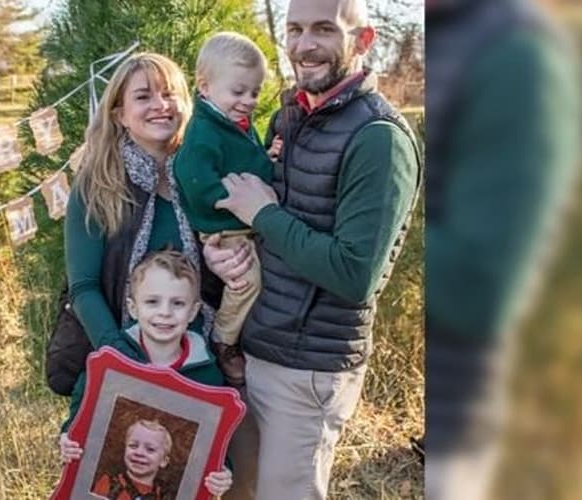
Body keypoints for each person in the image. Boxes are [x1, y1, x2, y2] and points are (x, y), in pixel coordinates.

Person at [209, 0, 422, 497]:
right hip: (257, 351)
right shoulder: (290, 116)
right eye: (296, 29)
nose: (305, 45)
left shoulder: (378, 138)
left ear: (363, 41)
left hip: (307, 372)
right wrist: (234, 251)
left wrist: (262, 214)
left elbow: (355, 275)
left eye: (325, 29)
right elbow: (274, 221)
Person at [425, 1, 582, 498]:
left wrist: (367, 233)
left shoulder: (517, 57)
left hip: (453, 431)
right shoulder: (445, 34)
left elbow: (480, 288)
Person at [63, 52, 252, 360]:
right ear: (119, 114)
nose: (160, 106)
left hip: (202, 355)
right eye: (143, 96)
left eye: (169, 94)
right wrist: (118, 352)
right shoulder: (96, 185)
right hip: (122, 350)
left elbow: (236, 253)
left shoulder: (207, 176)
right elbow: (83, 286)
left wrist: (221, 265)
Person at [59, 250, 233, 498]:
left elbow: (215, 446)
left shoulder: (206, 375)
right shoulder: (111, 365)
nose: (165, 312)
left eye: (178, 303)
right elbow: (79, 414)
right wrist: (67, 437)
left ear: (194, 311)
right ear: (133, 307)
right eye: (152, 301)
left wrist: (222, 472)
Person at [173, 32, 276, 387]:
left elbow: (249, 161)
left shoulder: (235, 122)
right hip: (224, 225)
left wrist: (269, 157)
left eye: (255, 92)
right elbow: (192, 175)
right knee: (247, 280)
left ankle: (246, 336)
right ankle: (223, 340)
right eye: (239, 91)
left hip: (246, 221)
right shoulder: (204, 131)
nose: (248, 100)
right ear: (205, 87)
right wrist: (229, 198)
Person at [91, 419, 172, 500]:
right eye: (133, 446)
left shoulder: (162, 495)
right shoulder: (108, 483)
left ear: (163, 461)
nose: (139, 453)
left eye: (150, 449)